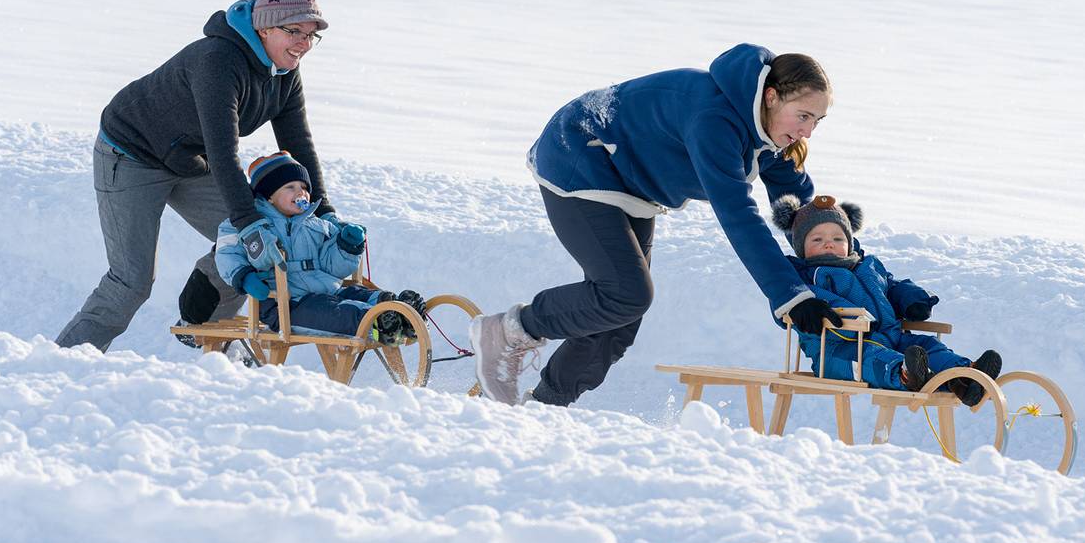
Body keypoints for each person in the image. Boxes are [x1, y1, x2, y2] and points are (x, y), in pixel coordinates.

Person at [470, 43, 845, 406]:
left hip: (631, 181)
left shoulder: (769, 132)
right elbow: (738, 215)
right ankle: (508, 332)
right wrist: (790, 296)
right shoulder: (715, 119)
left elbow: (799, 210)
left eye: (817, 121)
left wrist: (846, 266)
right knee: (624, 293)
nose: (808, 131)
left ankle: (547, 405)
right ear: (771, 97)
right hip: (580, 156)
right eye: (803, 116)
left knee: (622, 315)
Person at [56, 0, 361, 351]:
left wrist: (323, 210)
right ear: (265, 27)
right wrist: (248, 223)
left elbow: (299, 144)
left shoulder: (285, 73)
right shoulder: (218, 61)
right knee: (132, 282)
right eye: (294, 32)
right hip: (130, 154)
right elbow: (223, 150)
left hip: (187, 159)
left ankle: (203, 327)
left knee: (263, 241)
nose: (304, 44)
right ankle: (63, 361)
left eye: (311, 35)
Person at [770, 194, 1002, 407]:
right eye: (817, 239)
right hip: (839, 350)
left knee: (926, 345)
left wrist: (912, 299)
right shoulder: (802, 276)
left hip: (891, 337)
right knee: (872, 358)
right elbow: (785, 299)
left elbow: (891, 286)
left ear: (849, 242)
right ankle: (905, 374)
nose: (829, 243)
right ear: (801, 247)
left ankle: (963, 378)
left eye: (838, 238)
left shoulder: (867, 266)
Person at [215, 152, 427, 341]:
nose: (301, 193)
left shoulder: (317, 224)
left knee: (356, 294)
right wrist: (244, 277)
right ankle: (377, 323)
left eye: (304, 187)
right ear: (269, 196)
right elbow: (226, 253)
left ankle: (396, 309)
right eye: (290, 187)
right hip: (286, 305)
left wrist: (346, 246)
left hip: (327, 291)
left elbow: (333, 268)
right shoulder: (250, 224)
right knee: (334, 313)